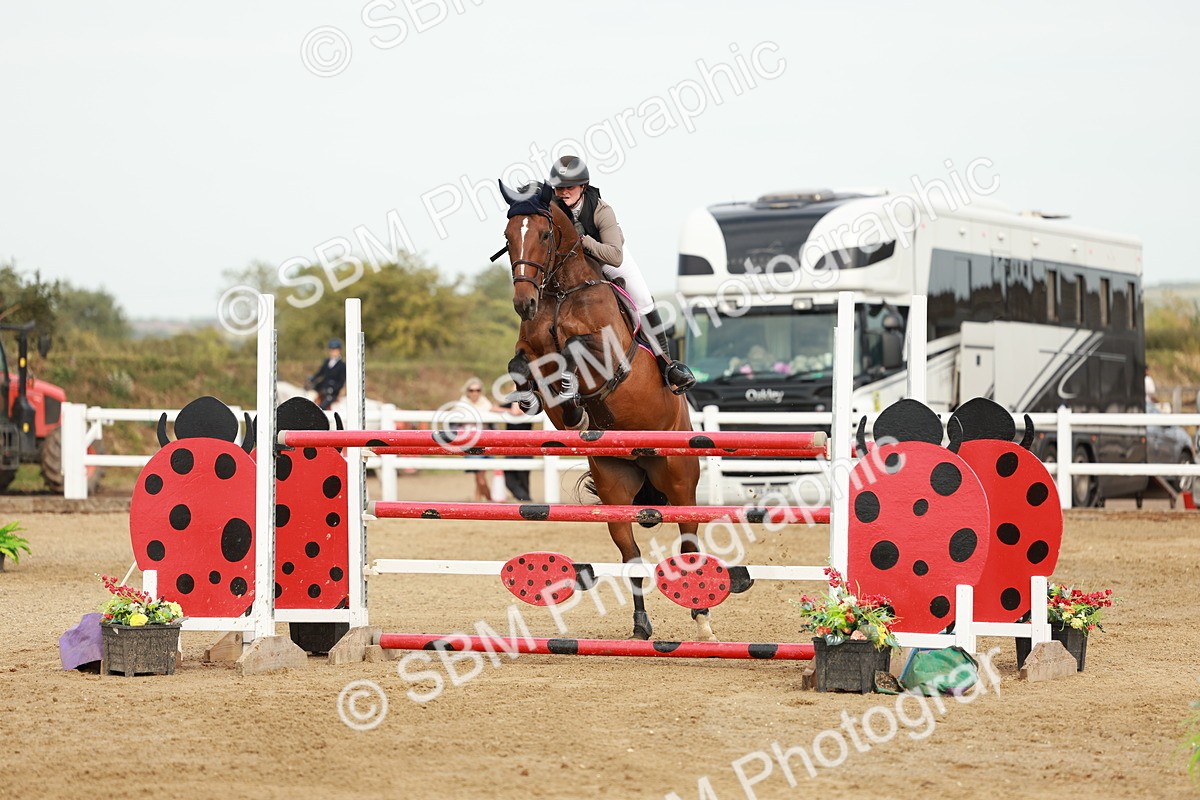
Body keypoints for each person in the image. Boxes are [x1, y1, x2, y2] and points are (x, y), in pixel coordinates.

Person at [547, 154, 696, 395]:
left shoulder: (601, 210)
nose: (563, 192)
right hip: (572, 266)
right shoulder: (551, 206)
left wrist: (584, 241)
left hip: (606, 258)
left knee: (644, 300)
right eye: (558, 188)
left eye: (569, 187)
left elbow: (614, 255)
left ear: (582, 187)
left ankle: (667, 365)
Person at [455, 377, 501, 502]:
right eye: (472, 390)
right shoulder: (461, 405)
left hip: (485, 442)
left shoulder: (485, 402)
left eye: (477, 390)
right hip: (470, 443)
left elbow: (493, 411)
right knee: (480, 477)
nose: (475, 393)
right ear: (467, 391)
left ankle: (477, 500)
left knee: (480, 475)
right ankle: (490, 499)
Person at [306, 338, 346, 411]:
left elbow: (341, 381)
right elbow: (320, 373)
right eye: (332, 350)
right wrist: (313, 379)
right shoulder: (327, 361)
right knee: (310, 396)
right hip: (323, 387)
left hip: (333, 391)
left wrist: (333, 389)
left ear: (339, 350)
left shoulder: (342, 365)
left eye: (335, 350)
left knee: (322, 407)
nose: (333, 352)